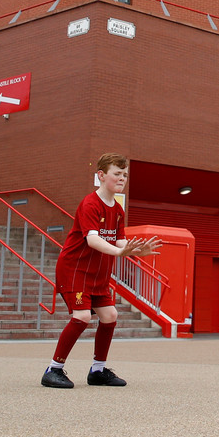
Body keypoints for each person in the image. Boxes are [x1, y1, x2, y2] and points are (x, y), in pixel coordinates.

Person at [43, 153, 160, 389]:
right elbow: (92, 239)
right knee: (82, 317)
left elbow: (119, 241)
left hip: (98, 274)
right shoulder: (90, 204)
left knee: (110, 316)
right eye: (117, 173)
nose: (122, 178)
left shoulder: (118, 209)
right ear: (101, 175)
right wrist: (119, 252)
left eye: (125, 174)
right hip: (75, 270)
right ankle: (53, 369)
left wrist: (136, 250)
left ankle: (97, 371)